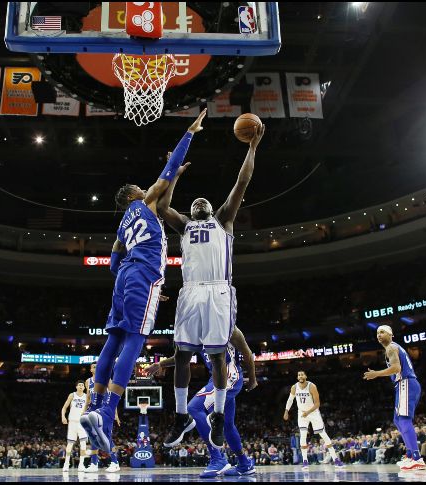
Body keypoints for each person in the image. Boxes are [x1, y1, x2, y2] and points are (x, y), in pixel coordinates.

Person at [81, 109, 207, 454]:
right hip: (142, 275)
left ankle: (96, 407)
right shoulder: (145, 199)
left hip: (125, 278)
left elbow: (114, 263)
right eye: (139, 187)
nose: (143, 186)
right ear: (133, 194)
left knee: (113, 339)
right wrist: (190, 132)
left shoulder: (122, 225)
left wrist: (133, 279)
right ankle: (106, 414)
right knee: (135, 340)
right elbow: (167, 172)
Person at [158, 121, 265, 450]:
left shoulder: (224, 219)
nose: (200, 203)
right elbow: (162, 207)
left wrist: (252, 148)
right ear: (191, 212)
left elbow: (242, 181)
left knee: (218, 356)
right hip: (190, 290)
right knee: (181, 354)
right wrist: (174, 175)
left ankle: (218, 414)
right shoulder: (184, 225)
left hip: (219, 290)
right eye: (195, 203)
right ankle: (181, 417)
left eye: (203, 202)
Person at [148, 326, 258, 478]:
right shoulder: (196, 330)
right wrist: (161, 364)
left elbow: (247, 353)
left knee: (194, 409)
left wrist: (252, 379)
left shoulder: (227, 326)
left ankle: (218, 459)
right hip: (216, 378)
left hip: (229, 377)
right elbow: (182, 357)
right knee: (227, 425)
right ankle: (244, 464)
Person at [363, 325, 425, 471]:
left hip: (405, 382)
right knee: (397, 420)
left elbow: (397, 368)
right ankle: (409, 455)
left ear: (391, 334)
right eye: (377, 333)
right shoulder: (393, 347)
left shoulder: (391, 347)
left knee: (403, 419)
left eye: (382, 332)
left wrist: (376, 374)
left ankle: (417, 458)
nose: (379, 335)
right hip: (404, 384)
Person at [283, 370, 344, 470]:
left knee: (323, 435)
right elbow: (290, 400)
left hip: (313, 412)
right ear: (297, 377)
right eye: (299, 375)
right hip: (302, 413)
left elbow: (317, 404)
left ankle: (336, 460)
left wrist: (308, 412)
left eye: (302, 374)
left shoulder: (312, 386)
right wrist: (286, 411)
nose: (300, 376)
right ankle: (305, 462)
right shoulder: (294, 387)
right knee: (302, 436)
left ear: (305, 376)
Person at [82, 363, 121, 473]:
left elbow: (113, 397)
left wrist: (116, 414)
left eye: (97, 366)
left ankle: (115, 463)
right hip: (93, 410)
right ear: (90, 369)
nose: (96, 368)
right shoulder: (88, 381)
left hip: (105, 410)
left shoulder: (106, 379)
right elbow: (88, 398)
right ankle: (94, 464)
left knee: (106, 437)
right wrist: (84, 412)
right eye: (94, 367)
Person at [61, 381, 88, 471]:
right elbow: (64, 407)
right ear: (76, 387)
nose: (81, 386)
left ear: (84, 387)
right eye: (79, 385)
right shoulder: (72, 395)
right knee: (70, 444)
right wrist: (63, 416)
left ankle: (81, 464)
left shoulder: (86, 396)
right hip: (72, 422)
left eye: (82, 385)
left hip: (82, 422)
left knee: (83, 444)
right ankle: (66, 464)